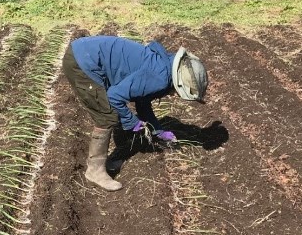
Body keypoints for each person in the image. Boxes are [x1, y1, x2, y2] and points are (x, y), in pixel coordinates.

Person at [62, 35, 208, 191]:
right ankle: (95, 171)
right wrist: (130, 122)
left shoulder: (165, 65)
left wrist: (158, 131)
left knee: (115, 112)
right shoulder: (160, 78)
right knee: (107, 116)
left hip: (85, 52)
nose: (174, 95)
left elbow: (143, 103)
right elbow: (114, 96)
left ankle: (109, 159)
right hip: (83, 62)